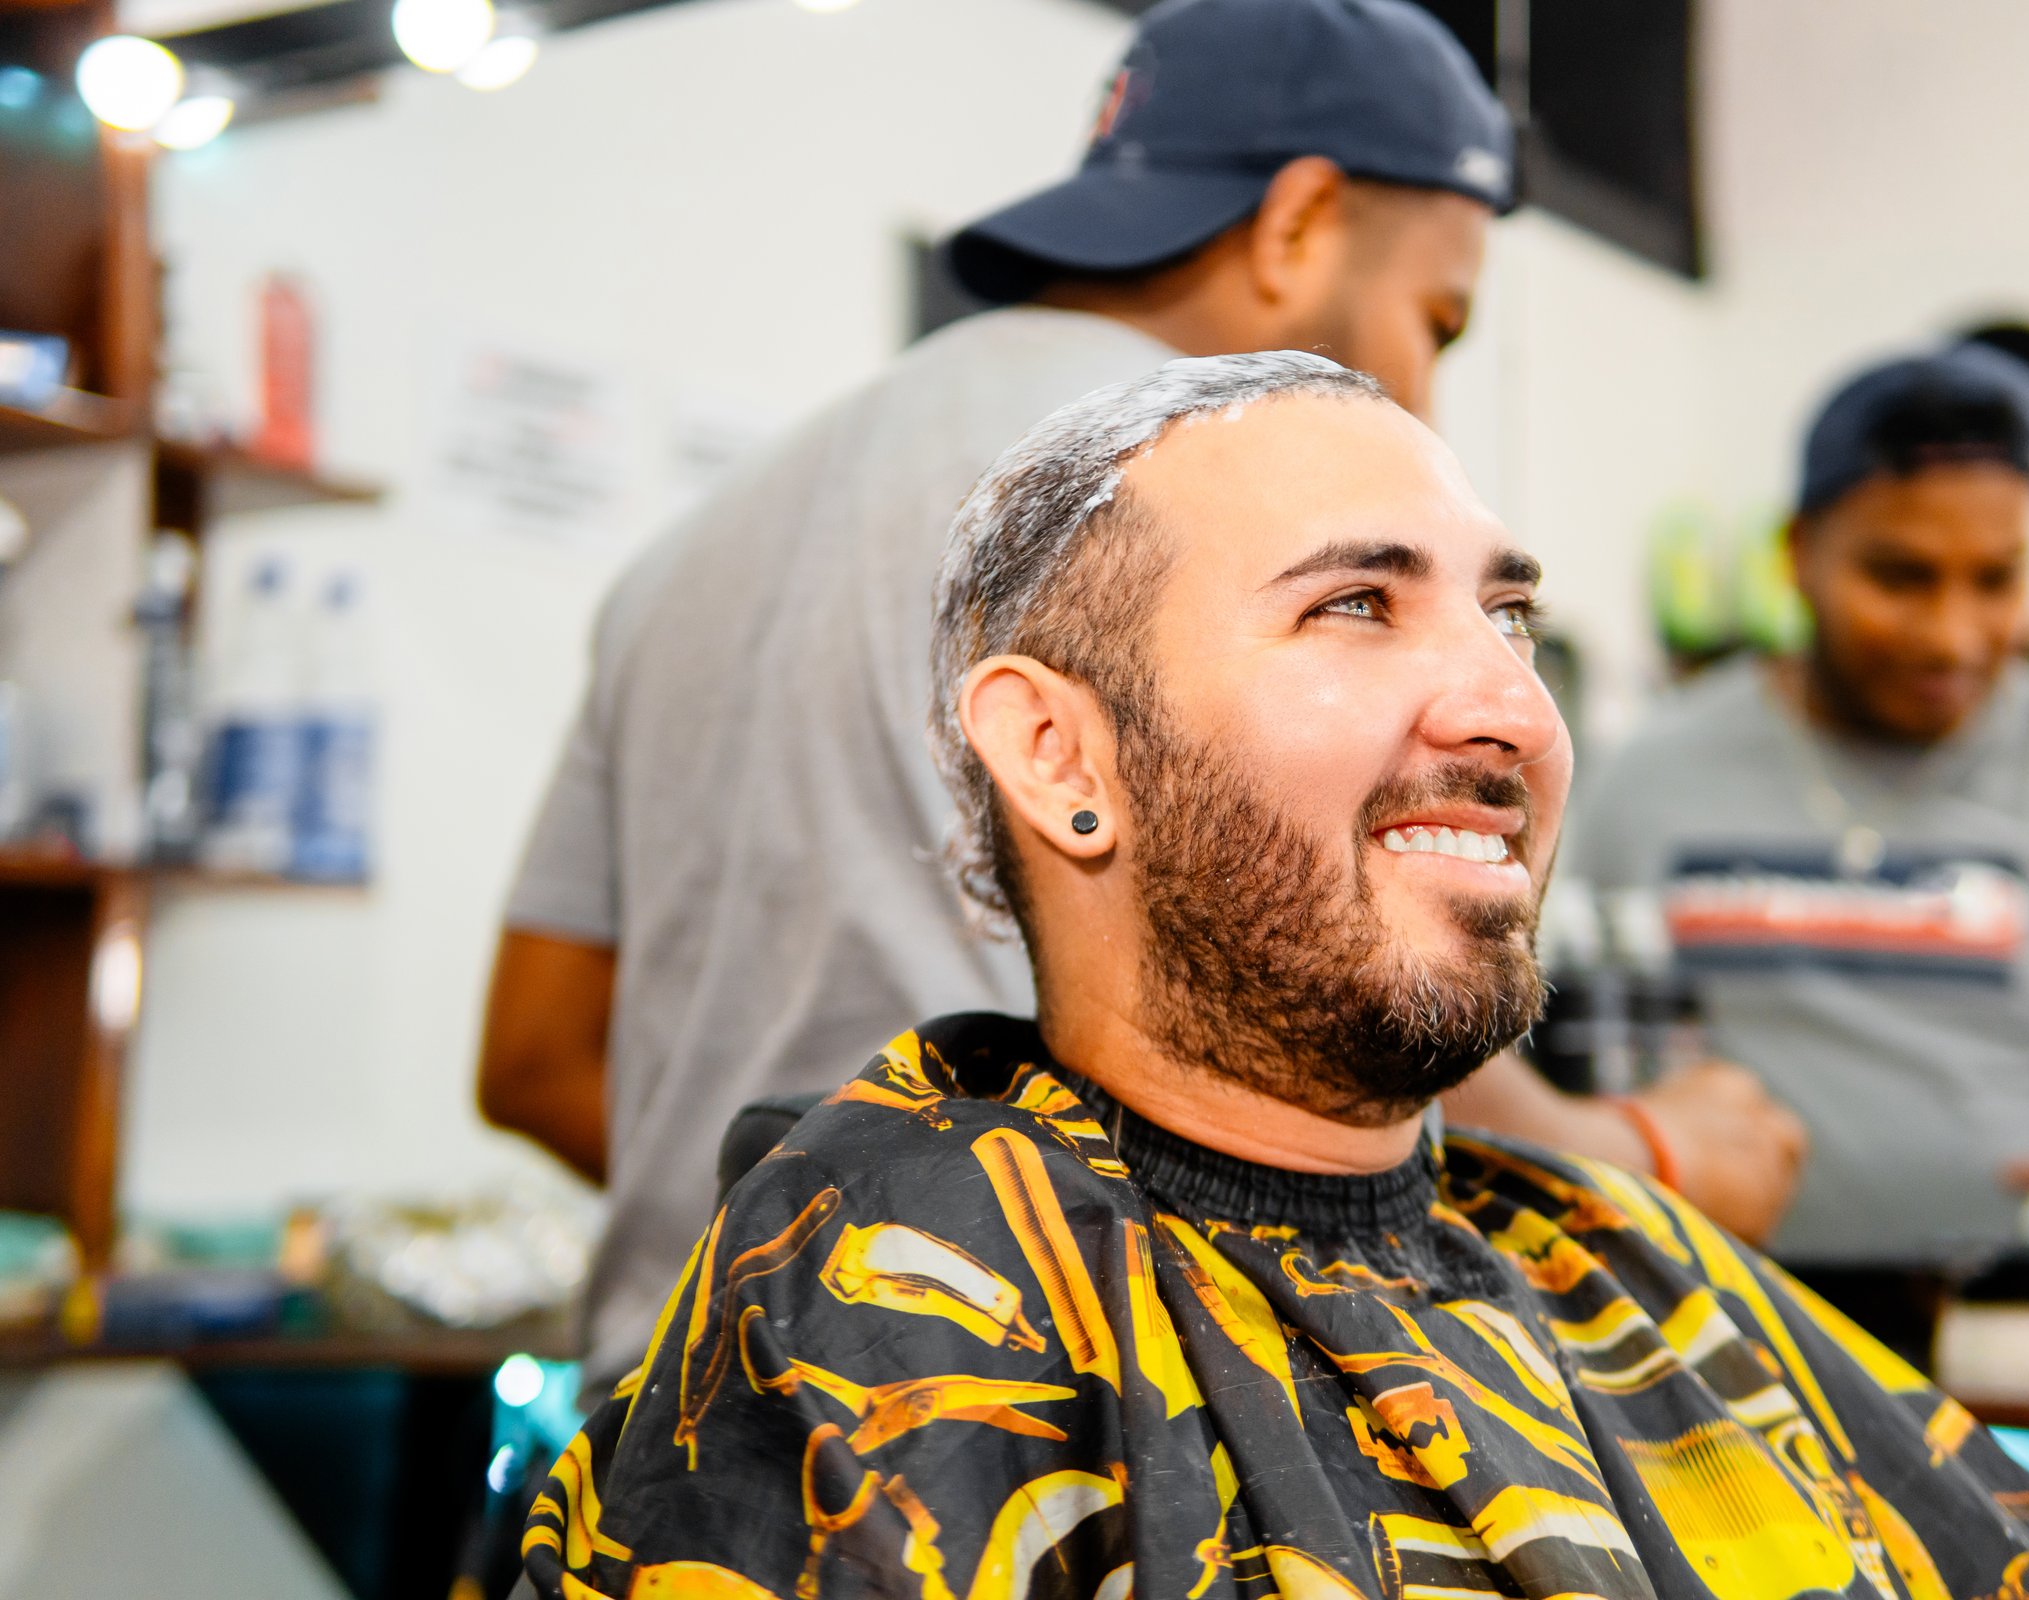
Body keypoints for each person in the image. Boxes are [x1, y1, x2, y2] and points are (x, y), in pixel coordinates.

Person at [520, 353, 2029, 1600]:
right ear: (1061, 751)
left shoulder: (1627, 1266)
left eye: (1509, 620)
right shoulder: (899, 1301)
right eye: (1357, 607)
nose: (1514, 713)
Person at [478, 0, 1801, 1408]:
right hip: (1062, 1449)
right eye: (1439, 320)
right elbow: (1329, 970)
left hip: (670, 1444)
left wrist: (821, 1227)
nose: (1428, 403)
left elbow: (538, 1056)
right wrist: (1634, 1165)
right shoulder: (1193, 521)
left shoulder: (699, 547)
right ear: (1298, 226)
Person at [1571, 344, 2029, 1325]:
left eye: (1997, 579)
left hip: (2022, 1365)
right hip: (1705, 1355)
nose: (1952, 635)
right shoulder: (1648, 777)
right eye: (1901, 576)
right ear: (1797, 553)